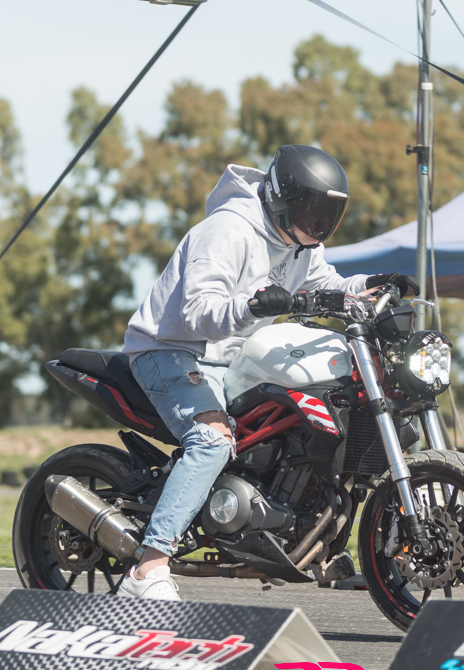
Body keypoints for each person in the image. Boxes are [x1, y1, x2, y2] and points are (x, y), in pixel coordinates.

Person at [118, 145, 419, 600]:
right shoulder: (227, 230)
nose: (320, 223)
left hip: (232, 357)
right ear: (282, 198)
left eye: (328, 214)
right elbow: (197, 310)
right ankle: (148, 569)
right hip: (173, 350)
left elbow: (329, 286)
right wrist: (252, 306)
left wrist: (374, 285)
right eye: (312, 210)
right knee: (213, 440)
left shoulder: (301, 245)